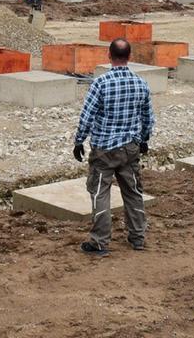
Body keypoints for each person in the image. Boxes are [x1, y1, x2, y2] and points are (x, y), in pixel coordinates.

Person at [72, 39, 154, 256]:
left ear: (109, 56)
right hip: (130, 148)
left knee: (100, 194)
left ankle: (99, 242)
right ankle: (138, 237)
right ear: (129, 56)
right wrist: (144, 139)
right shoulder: (141, 83)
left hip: (104, 151)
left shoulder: (100, 83)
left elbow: (87, 116)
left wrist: (79, 141)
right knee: (133, 192)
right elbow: (148, 117)